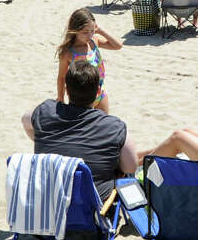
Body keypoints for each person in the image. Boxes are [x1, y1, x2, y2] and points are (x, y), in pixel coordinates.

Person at [21, 61, 136, 201]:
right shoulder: (114, 126)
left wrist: (41, 138)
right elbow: (131, 167)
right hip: (91, 213)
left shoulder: (46, 112)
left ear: (67, 91)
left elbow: (25, 120)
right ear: (98, 92)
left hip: (48, 204)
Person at [55, 7, 122, 114]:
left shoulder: (94, 42)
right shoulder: (68, 53)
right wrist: (60, 98)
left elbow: (117, 46)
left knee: (103, 125)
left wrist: (101, 31)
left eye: (92, 30)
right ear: (75, 30)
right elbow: (61, 77)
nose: (90, 35)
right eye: (85, 32)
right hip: (80, 99)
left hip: (100, 92)